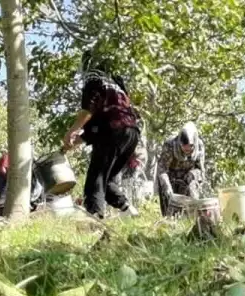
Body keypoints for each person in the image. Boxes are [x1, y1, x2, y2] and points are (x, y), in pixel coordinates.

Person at [63, 55, 141, 219]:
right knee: (107, 179)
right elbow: (95, 128)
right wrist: (72, 143)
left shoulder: (93, 78)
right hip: (132, 132)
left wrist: (71, 131)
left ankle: (95, 218)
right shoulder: (116, 82)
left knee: (95, 180)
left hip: (112, 131)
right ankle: (127, 209)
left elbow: (88, 110)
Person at [156, 123, 206, 216]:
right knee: (170, 211)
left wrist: (192, 175)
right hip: (170, 177)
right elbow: (162, 169)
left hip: (189, 178)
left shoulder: (199, 146)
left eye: (190, 146)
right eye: (184, 147)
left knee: (192, 208)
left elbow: (200, 170)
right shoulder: (170, 145)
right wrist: (167, 186)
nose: (187, 150)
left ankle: (192, 223)